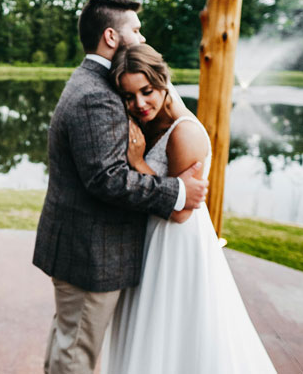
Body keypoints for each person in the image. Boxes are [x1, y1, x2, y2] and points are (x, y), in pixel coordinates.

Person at [32, 0, 209, 374]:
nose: (142, 37)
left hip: (82, 246)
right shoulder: (96, 94)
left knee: (68, 340)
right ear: (112, 36)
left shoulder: (94, 82)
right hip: (90, 251)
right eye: (136, 29)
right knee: (75, 353)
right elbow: (106, 178)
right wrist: (177, 191)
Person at [102, 43, 276, 373]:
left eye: (147, 91)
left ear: (163, 80)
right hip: (149, 240)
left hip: (174, 246)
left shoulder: (185, 133)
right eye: (129, 96)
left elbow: (181, 210)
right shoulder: (147, 123)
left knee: (173, 332)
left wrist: (137, 161)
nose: (139, 103)